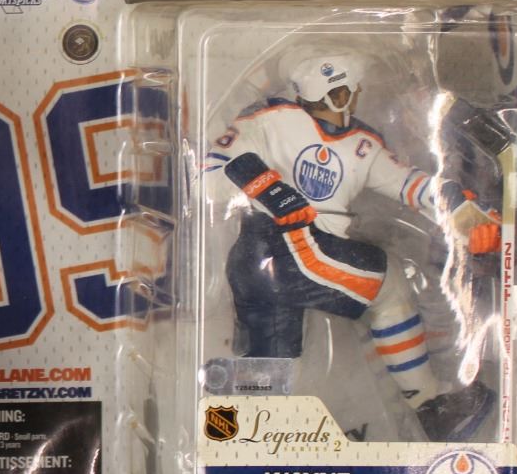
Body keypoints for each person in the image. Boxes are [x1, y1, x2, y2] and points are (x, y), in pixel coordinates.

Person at [202, 50, 499, 442]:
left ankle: (235, 435)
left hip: (260, 263)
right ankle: (431, 408)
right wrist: (269, 190)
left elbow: (408, 184)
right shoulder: (270, 118)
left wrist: (461, 210)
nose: (345, 100)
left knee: (273, 369)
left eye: (347, 92)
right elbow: (212, 170)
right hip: (287, 244)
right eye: (340, 93)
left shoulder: (362, 143)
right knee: (389, 286)